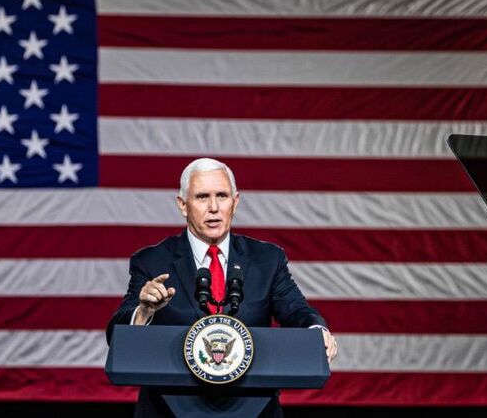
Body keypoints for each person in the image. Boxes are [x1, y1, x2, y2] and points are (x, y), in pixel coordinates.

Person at [107, 158, 337, 417]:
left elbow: (295, 309)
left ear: (235, 202)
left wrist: (316, 330)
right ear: (183, 205)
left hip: (253, 408)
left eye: (222, 196)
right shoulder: (152, 262)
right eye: (202, 197)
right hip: (167, 410)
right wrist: (143, 312)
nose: (214, 207)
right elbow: (117, 334)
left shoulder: (267, 259)